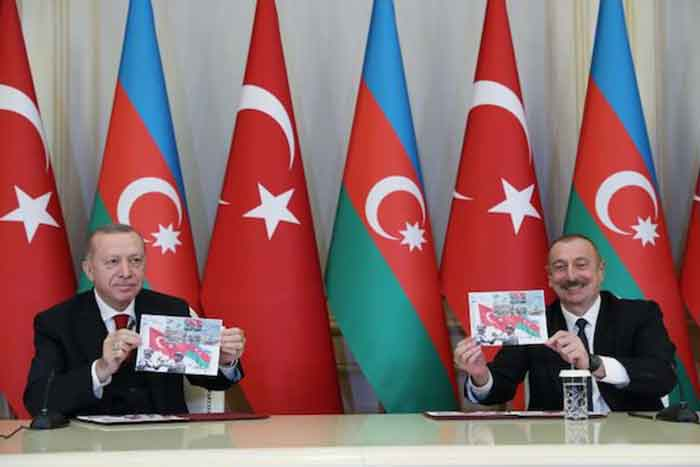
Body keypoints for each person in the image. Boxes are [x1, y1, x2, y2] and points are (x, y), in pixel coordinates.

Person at [24, 224, 246, 416]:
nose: (126, 272)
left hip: (165, 442)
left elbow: (211, 381)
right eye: (113, 262)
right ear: (90, 270)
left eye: (135, 260)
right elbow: (38, 400)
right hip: (90, 445)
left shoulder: (171, 310)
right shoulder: (57, 322)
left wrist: (224, 361)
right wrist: (101, 369)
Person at [453, 234, 677, 412]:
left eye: (581, 265)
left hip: (630, 439)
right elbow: (501, 387)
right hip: (555, 441)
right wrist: (480, 375)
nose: (571, 276)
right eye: (560, 267)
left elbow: (663, 376)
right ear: (550, 277)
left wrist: (593, 363)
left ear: (601, 271)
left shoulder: (639, 314)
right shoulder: (532, 320)